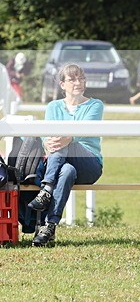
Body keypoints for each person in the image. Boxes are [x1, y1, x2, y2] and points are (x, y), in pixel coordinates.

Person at [27, 63, 104, 246]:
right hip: (60, 165)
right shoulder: (53, 106)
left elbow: (84, 131)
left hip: (89, 164)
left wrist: (65, 139)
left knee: (66, 141)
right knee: (68, 171)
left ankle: (46, 189)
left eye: (81, 78)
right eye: (72, 79)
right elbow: (47, 134)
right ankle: (49, 227)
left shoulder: (95, 105)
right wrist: (46, 142)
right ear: (62, 84)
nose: (78, 82)